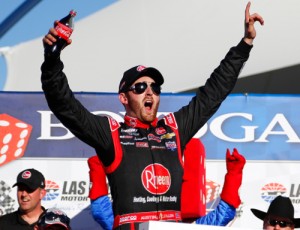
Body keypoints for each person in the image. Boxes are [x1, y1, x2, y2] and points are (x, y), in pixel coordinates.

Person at [41, 2, 264, 229]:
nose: (149, 92)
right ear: (124, 98)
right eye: (140, 88)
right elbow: (64, 105)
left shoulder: (173, 130)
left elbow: (213, 93)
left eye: (155, 88)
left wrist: (245, 44)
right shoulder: (111, 134)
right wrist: (51, 61)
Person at [88, 145, 245, 229]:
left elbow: (223, 215)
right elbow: (103, 215)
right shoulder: (133, 222)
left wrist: (234, 175)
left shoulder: (189, 228)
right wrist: (98, 170)